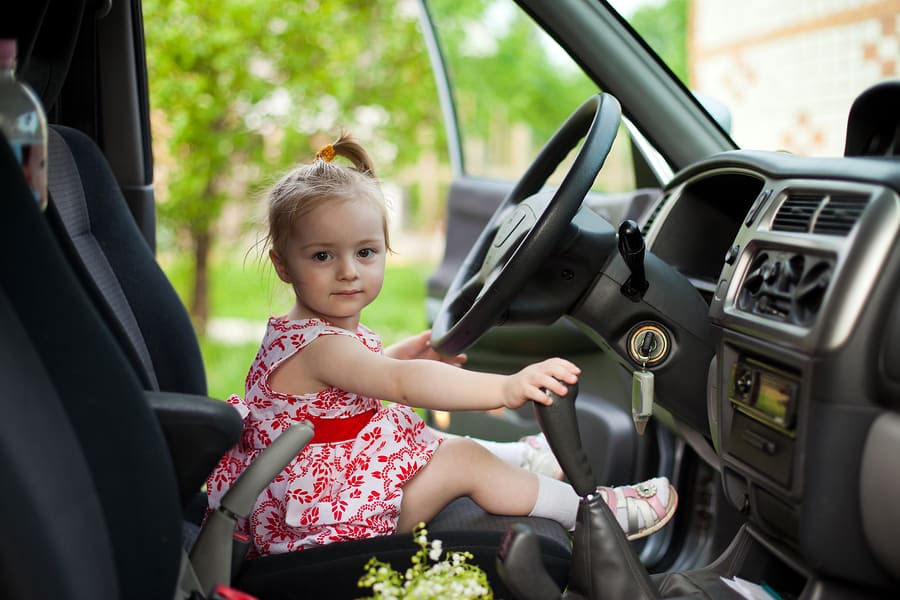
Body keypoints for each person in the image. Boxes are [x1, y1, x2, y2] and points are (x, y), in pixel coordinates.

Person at [206, 132, 677, 556]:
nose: (348, 270)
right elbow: (402, 385)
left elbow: (333, 396)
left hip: (312, 489)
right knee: (461, 459)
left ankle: (522, 461)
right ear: (283, 265)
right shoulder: (321, 345)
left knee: (415, 435)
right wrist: (506, 388)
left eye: (365, 252)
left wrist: (393, 357)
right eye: (323, 255)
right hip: (322, 522)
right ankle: (594, 514)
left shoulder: (307, 333)